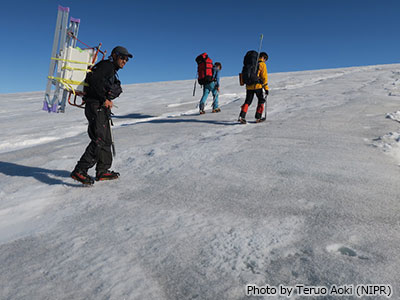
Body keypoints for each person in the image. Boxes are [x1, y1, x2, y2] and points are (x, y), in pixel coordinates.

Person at [70, 46, 132, 185]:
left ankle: (102, 170)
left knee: (106, 139)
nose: (125, 61)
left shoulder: (111, 70)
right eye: (123, 57)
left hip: (100, 107)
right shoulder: (107, 66)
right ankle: (80, 170)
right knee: (99, 139)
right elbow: (94, 82)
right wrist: (104, 99)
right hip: (95, 106)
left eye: (126, 59)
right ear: (115, 56)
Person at [238, 52, 269, 124]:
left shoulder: (250, 64)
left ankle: (242, 116)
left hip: (249, 86)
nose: (265, 61)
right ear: (263, 57)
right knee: (261, 100)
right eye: (265, 59)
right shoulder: (262, 64)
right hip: (257, 86)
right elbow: (264, 77)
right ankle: (258, 117)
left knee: (248, 101)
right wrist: (266, 88)